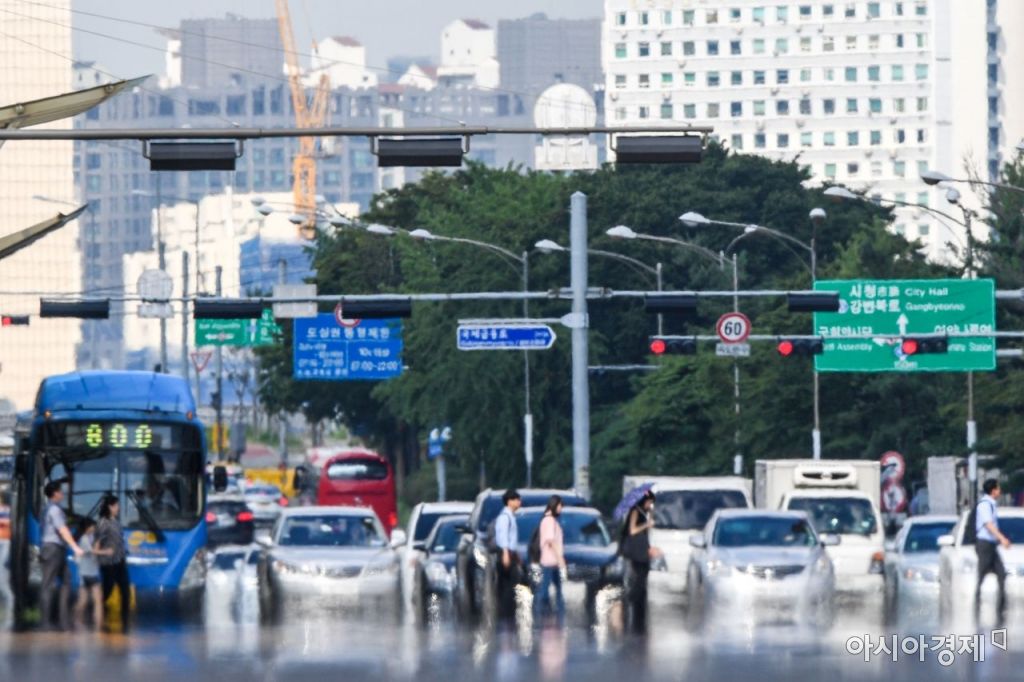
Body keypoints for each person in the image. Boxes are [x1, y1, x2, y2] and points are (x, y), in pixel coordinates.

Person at [39, 481, 84, 630]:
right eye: (60, 491)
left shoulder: (47, 509)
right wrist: (75, 547)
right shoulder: (54, 510)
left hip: (54, 549)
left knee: (66, 580)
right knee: (48, 584)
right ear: (55, 493)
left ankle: (62, 619)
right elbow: (62, 530)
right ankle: (46, 622)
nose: (63, 493)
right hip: (53, 548)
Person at [621, 490, 660, 634]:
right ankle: (630, 600)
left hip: (643, 550)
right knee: (639, 577)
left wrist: (651, 516)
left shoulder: (644, 513)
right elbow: (632, 530)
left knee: (643, 577)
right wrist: (646, 525)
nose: (650, 505)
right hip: (636, 551)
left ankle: (639, 606)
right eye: (649, 502)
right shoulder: (635, 512)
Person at [975, 478, 1011, 626]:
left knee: (1002, 574)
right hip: (984, 545)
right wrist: (1002, 538)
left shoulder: (991, 505)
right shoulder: (984, 505)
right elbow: (988, 525)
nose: (1000, 491)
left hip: (991, 545)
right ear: (993, 490)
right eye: (998, 488)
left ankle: (1000, 613)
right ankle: (975, 612)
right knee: (980, 577)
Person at [96, 495, 131, 633]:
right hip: (108, 562)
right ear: (110, 507)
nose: (118, 508)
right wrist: (104, 552)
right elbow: (97, 542)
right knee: (108, 587)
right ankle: (97, 608)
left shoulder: (116, 521)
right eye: (116, 505)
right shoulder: (103, 523)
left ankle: (125, 617)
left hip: (120, 560)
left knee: (125, 589)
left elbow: (119, 539)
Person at [533, 495, 566, 624]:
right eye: (560, 505)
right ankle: (540, 615)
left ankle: (557, 614)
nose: (561, 508)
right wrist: (560, 558)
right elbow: (551, 541)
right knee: (545, 591)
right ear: (554, 505)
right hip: (550, 561)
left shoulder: (549, 520)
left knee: (556, 590)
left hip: (552, 562)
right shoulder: (549, 520)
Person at [74, 518, 110, 630]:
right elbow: (93, 551)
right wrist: (106, 552)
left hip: (90, 572)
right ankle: (81, 620)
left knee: (89, 601)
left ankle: (92, 624)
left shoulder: (91, 538)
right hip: (87, 573)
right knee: (91, 601)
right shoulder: (84, 539)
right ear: (87, 528)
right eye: (93, 526)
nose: (94, 528)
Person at [493, 488, 521, 622]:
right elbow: (503, 536)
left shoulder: (511, 517)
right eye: (516, 500)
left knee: (510, 584)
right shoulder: (504, 518)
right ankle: (505, 613)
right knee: (507, 585)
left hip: (510, 554)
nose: (519, 502)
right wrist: (505, 554)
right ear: (509, 501)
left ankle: (509, 612)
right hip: (505, 554)